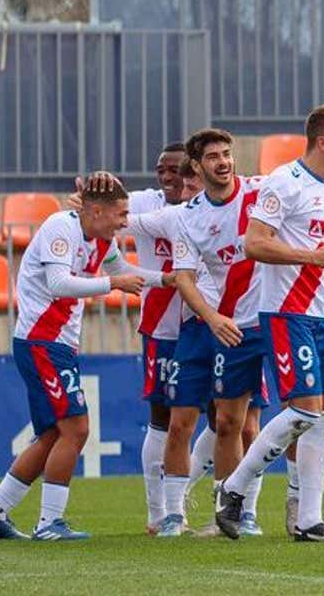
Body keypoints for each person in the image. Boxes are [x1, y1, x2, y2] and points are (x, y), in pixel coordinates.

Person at [215, 104, 324, 542]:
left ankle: (309, 521)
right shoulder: (283, 183)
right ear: (323, 142)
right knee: (303, 411)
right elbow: (254, 243)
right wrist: (310, 257)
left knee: (323, 417)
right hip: (287, 312)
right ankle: (233, 488)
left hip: (323, 314)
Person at [0, 180, 166, 541]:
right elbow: (59, 283)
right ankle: (49, 523)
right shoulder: (60, 228)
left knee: (50, 435)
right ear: (96, 211)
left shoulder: (101, 239)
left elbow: (123, 269)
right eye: (120, 214)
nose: (125, 221)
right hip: (42, 341)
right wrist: (113, 284)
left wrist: (169, 279)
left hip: (56, 343)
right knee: (76, 429)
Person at [112, 160, 271, 537]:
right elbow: (119, 221)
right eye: (189, 181)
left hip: (242, 326)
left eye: (193, 179)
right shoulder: (177, 216)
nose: (191, 187)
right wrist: (90, 198)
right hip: (195, 327)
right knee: (180, 421)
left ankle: (240, 511)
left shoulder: (250, 199)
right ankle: (171, 514)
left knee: (244, 425)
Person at [163, 128, 268, 536]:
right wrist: (212, 317)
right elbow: (184, 278)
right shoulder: (188, 217)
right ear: (197, 166)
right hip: (219, 325)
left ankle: (274, 511)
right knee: (212, 422)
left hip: (265, 321)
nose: (223, 161)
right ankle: (198, 516)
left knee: (256, 422)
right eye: (212, 157)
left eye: (227, 154)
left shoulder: (261, 194)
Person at [126, 141, 189, 534]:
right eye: (161, 169)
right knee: (162, 418)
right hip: (162, 328)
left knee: (225, 418)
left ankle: (183, 502)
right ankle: (157, 513)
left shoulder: (207, 204)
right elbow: (103, 207)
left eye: (175, 170)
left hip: (207, 323)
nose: (166, 177)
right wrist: (93, 190)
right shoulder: (144, 203)